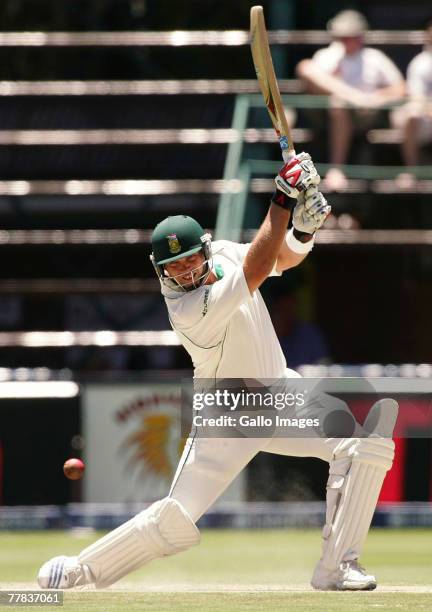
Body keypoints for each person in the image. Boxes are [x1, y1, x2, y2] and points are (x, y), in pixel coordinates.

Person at [37, 153, 397, 591]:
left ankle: (336, 567)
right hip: (229, 410)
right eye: (173, 266)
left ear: (205, 248)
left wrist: (302, 231)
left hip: (281, 392)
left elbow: (279, 259)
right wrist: (282, 198)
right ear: (160, 270)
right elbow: (259, 268)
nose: (184, 271)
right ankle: (81, 570)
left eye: (189, 259)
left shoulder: (227, 252)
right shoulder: (187, 310)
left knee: (365, 443)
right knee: (175, 518)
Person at [296, 10, 405, 191]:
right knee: (308, 71)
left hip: (364, 115)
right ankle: (350, 98)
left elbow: (400, 87)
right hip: (324, 113)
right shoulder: (326, 55)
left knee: (339, 105)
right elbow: (308, 77)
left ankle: (337, 169)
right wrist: (353, 96)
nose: (345, 40)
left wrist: (375, 98)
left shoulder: (374, 58)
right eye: (342, 36)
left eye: (350, 36)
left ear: (360, 36)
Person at [392, 18, 432, 188]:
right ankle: (412, 170)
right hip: (426, 119)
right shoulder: (420, 63)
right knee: (411, 114)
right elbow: (418, 100)